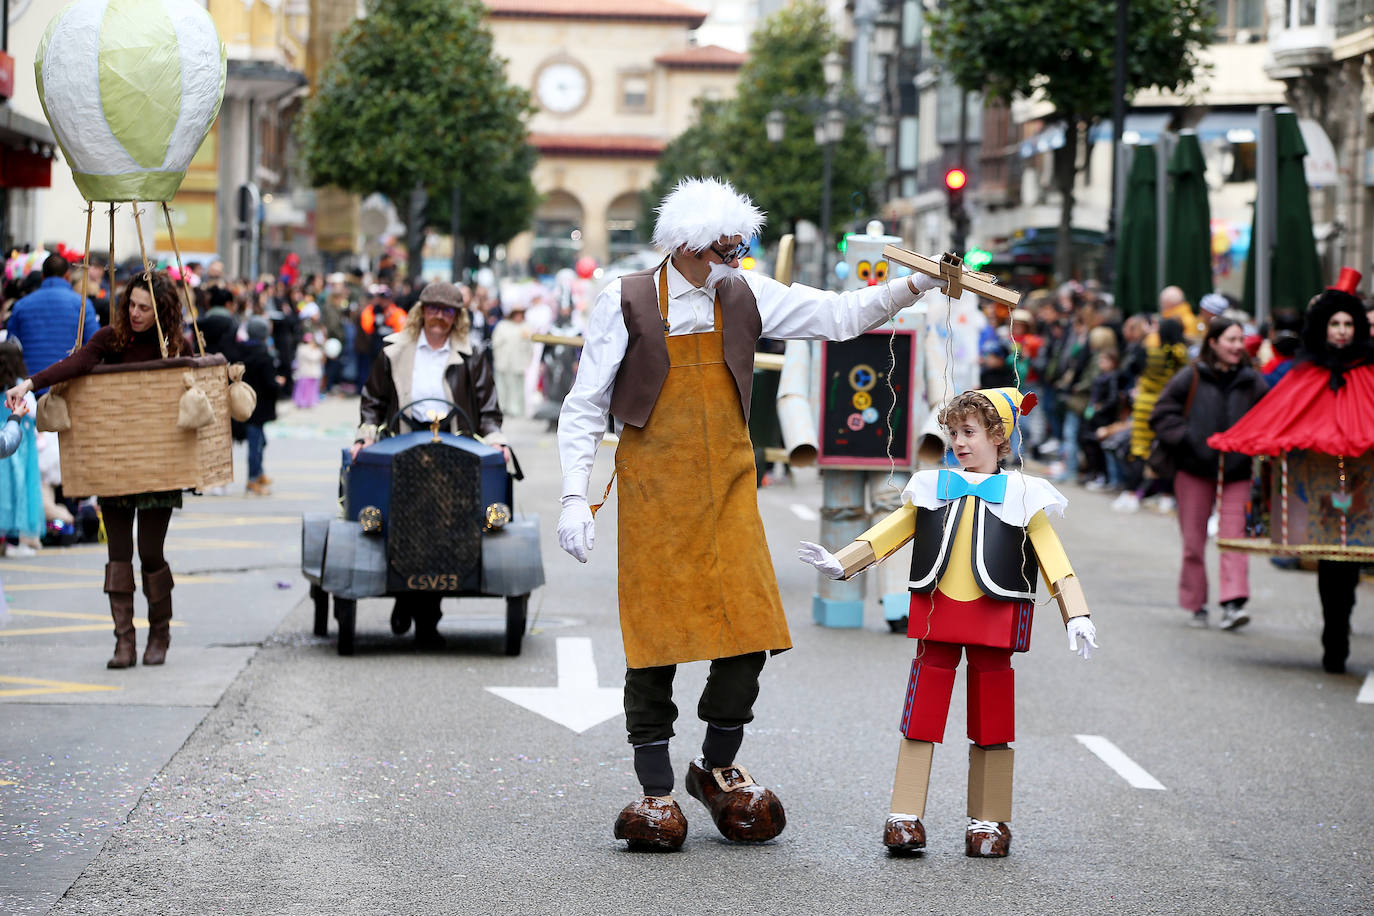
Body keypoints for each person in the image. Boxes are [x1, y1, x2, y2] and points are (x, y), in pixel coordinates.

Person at [556, 177, 945, 852]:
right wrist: (572, 495)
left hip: (731, 484)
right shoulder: (621, 299)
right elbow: (586, 404)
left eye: (740, 249)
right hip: (654, 489)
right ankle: (654, 791)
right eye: (723, 251)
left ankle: (716, 764)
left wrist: (914, 287)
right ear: (686, 247)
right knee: (655, 639)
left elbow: (841, 316)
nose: (734, 262)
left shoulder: (744, 291)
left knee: (750, 628)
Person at [798, 388, 1096, 858]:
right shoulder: (930, 485)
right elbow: (892, 529)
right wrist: (843, 561)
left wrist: (1075, 611)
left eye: (970, 432)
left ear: (999, 438)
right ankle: (905, 815)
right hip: (938, 611)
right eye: (953, 432)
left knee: (993, 718)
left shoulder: (1024, 493)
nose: (958, 441)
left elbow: (1054, 557)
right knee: (922, 714)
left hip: (996, 615)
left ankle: (990, 821)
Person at [6, 272, 190, 668]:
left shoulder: (173, 344)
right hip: (113, 459)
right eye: (132, 306)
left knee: (151, 553)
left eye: (145, 308)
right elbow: (75, 364)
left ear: (161, 310)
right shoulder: (110, 339)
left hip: (159, 462)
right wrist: (30, 385)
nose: (136, 314)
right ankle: (124, 642)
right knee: (118, 555)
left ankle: (160, 632)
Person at [1208, 268, 1374, 672]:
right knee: (1329, 568)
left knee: (1348, 570)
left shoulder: (1368, 374)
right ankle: (1334, 633)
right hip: (1318, 493)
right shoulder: (1307, 374)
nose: (1340, 331)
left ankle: (1339, 629)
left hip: (1360, 495)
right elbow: (1277, 417)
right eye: (1334, 323)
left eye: (1347, 324)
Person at [355, 281, 506, 648]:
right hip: (402, 441)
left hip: (455, 446)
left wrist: (497, 438)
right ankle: (406, 597)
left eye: (448, 310)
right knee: (400, 521)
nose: (440, 316)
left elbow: (487, 407)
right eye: (434, 309)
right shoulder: (394, 350)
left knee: (447, 528)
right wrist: (366, 435)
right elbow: (373, 400)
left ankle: (426, 617)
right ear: (422, 312)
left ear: (457, 317)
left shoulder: (471, 354)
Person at [1149, 318, 1268, 629]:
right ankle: (1196, 604)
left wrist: (1253, 442)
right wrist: (1189, 438)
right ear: (1213, 342)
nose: (1238, 346)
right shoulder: (1190, 376)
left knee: (1233, 539)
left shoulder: (1252, 381)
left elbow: (1269, 417)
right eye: (1231, 339)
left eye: (1240, 340)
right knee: (1193, 542)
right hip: (1194, 469)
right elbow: (1161, 414)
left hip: (1237, 471)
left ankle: (1234, 603)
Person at [5, 253, 99, 391]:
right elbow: (94, 346)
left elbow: (11, 348)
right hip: (68, 386)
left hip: (30, 387)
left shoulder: (21, 306)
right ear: (67, 275)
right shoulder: (83, 305)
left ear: (43, 276)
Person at [0, 340, 42, 555]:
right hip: (18, 447)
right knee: (20, 493)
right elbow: (33, 413)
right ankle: (14, 541)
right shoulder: (20, 387)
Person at [237, 317, 278, 495]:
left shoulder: (241, 351)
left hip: (247, 404)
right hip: (260, 407)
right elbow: (270, 384)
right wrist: (280, 385)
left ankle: (258, 473)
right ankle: (252, 479)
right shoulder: (263, 355)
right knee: (256, 445)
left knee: (260, 441)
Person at [490, 301, 533, 418]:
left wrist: (527, 361)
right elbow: (495, 342)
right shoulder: (502, 326)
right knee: (501, 386)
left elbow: (530, 347)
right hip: (503, 361)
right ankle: (501, 408)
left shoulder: (526, 327)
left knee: (517, 387)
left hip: (518, 362)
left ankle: (516, 409)